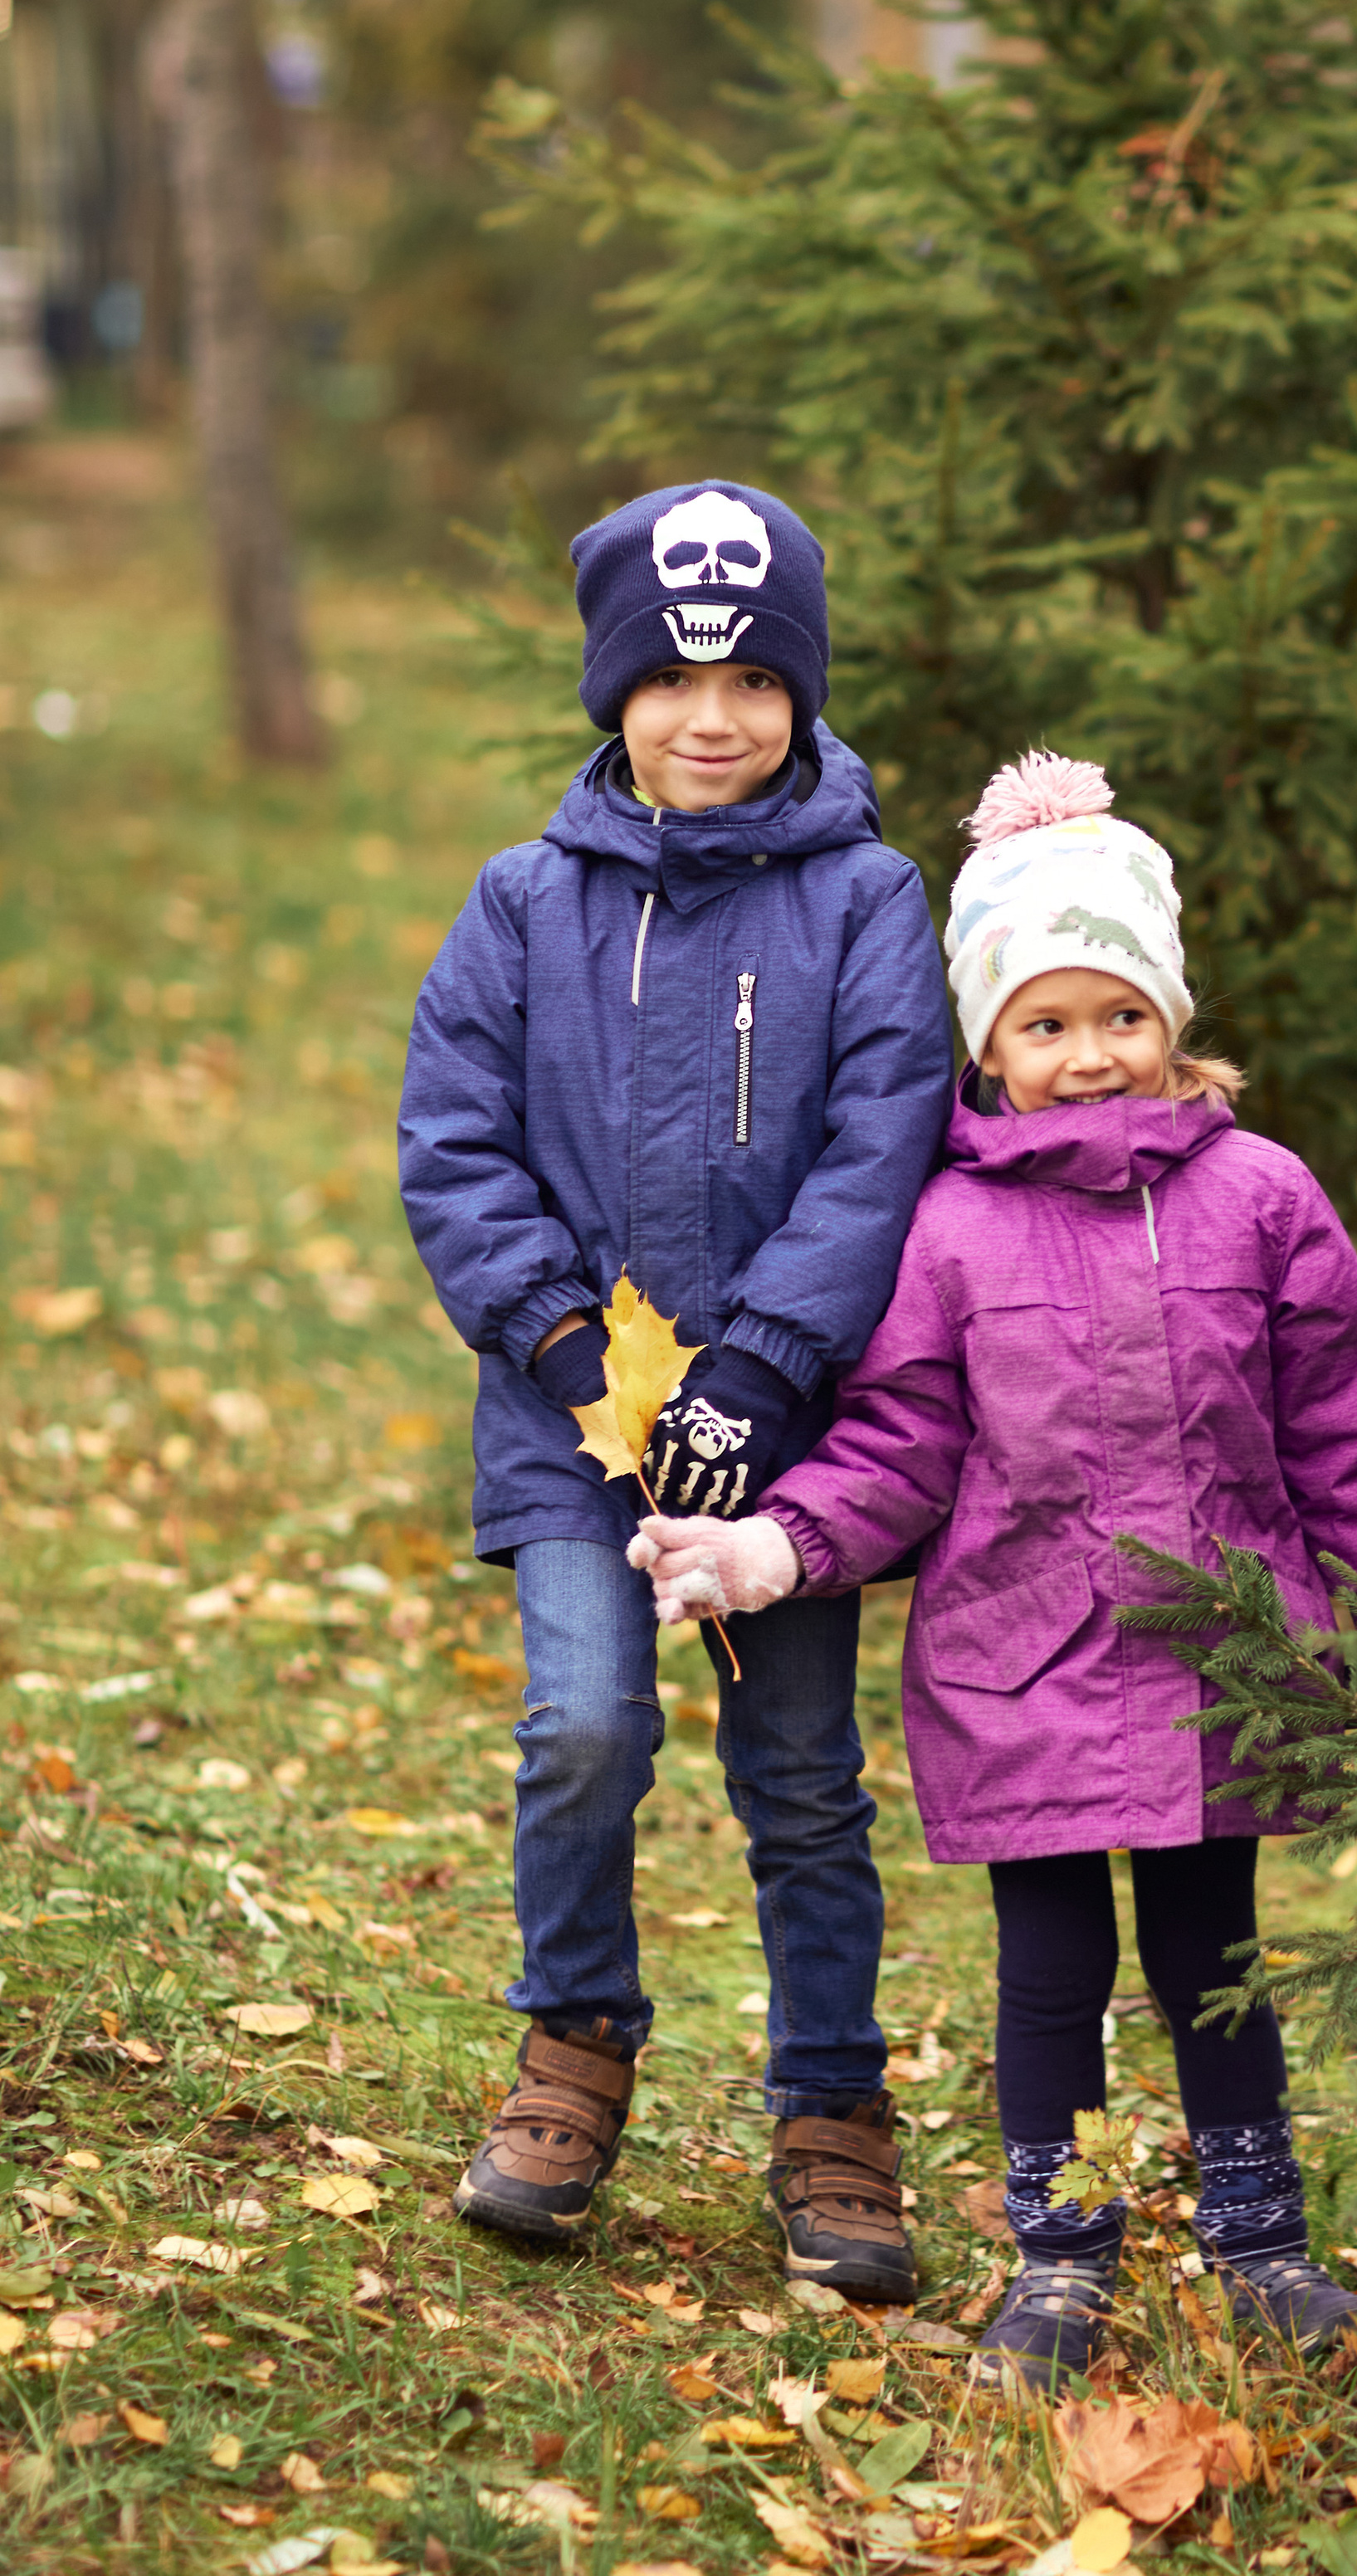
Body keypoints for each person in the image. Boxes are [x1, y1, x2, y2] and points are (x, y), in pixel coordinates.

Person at [632, 749, 1357, 2388]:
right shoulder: (946, 1231)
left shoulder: (1261, 1198)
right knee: (1054, 1974)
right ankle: (1062, 2254)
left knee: (1212, 1956)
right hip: (1026, 1667)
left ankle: (1258, 2237)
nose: (1090, 1055)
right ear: (990, 1048)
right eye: (1046, 1023)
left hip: (1228, 1660)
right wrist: (767, 1543)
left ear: (1170, 1019)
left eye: (1120, 1015)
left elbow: (1347, 1425)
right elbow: (898, 1450)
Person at [399, 479, 954, 2298]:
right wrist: (563, 1351)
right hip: (572, 1426)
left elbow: (883, 1146)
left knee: (798, 1776)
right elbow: (457, 1141)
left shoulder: (868, 901)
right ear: (614, 690)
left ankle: (829, 2112)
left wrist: (767, 1370)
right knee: (583, 1731)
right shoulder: (522, 904)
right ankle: (572, 2046)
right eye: (671, 676)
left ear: (799, 695)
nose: (710, 716)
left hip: (773, 1442)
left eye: (750, 680)